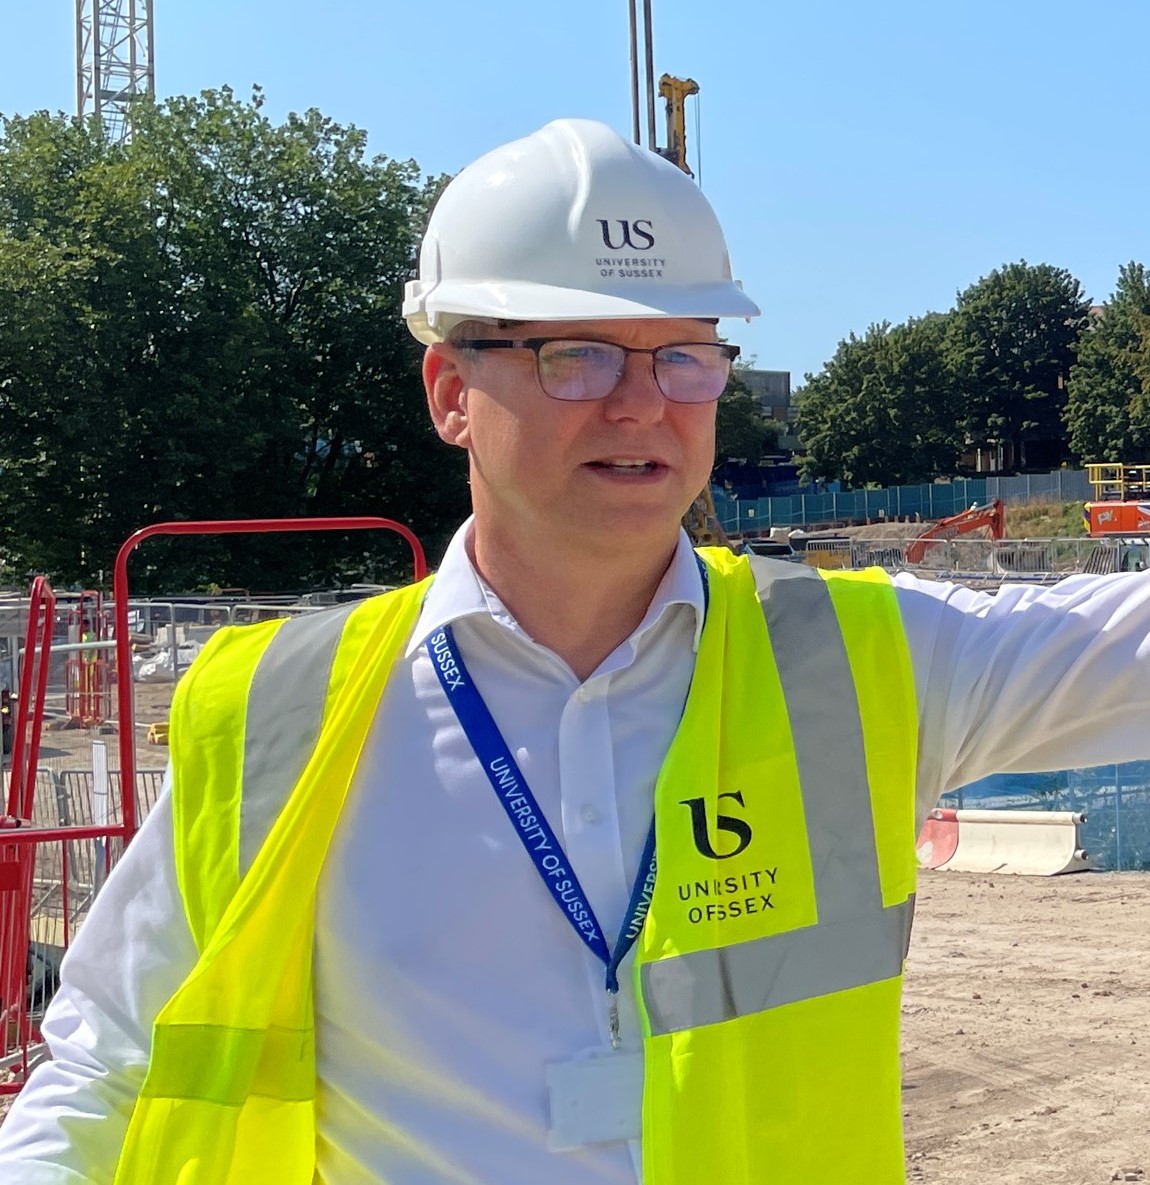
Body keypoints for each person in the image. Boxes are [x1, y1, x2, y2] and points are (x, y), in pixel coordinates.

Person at [2, 117, 1150, 1185]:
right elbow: (106, 1065)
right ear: (452, 391)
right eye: (578, 355)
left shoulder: (860, 664)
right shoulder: (280, 716)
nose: (643, 405)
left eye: (684, 357)